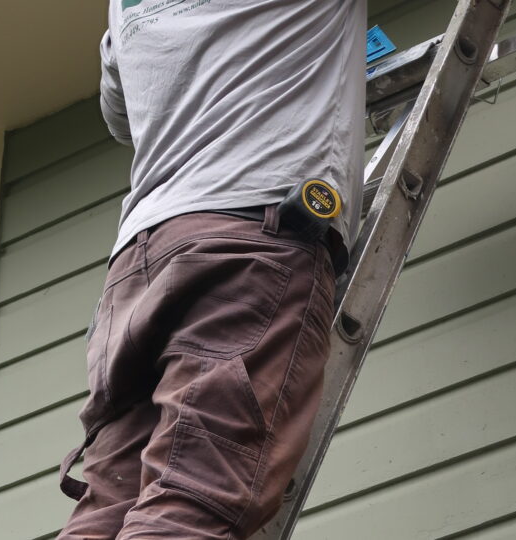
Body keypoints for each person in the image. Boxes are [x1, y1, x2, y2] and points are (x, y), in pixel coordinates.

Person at [58, 1, 365, 538]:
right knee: (191, 501)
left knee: (106, 508)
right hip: (248, 237)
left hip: (140, 259)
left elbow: (119, 111)